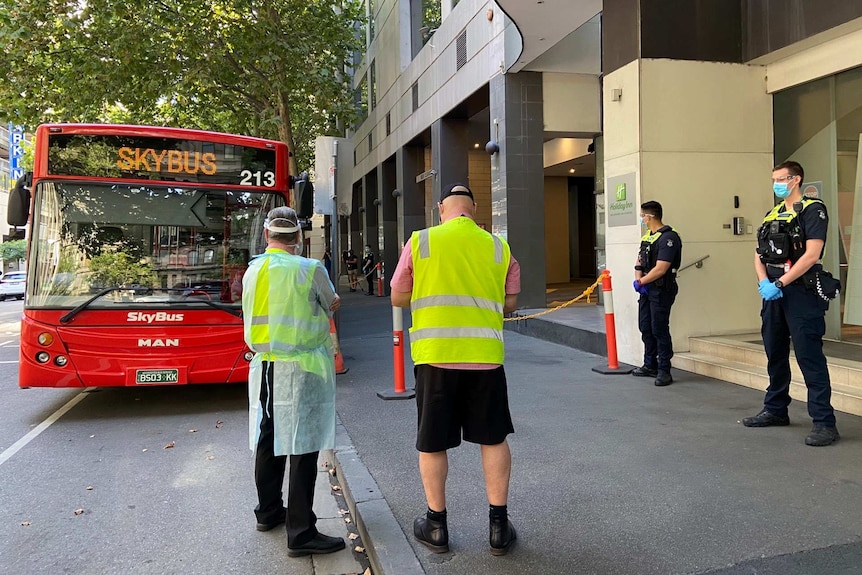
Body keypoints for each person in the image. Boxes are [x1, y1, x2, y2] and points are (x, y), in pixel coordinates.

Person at [390, 182, 521, 556]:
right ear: (474, 210)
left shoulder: (421, 241)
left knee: (432, 440)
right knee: (493, 438)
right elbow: (510, 302)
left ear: (441, 209)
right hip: (485, 356)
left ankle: (436, 525)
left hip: (435, 356)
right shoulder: (498, 246)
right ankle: (498, 528)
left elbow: (398, 295)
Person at [242, 206, 346, 556]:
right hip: (302, 367)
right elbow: (331, 303)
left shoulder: (252, 271)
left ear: (267, 236)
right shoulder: (310, 268)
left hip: (267, 367)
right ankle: (301, 532)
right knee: (303, 445)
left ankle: (268, 511)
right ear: (298, 237)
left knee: (269, 437)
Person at [743, 160, 839, 446]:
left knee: (809, 356)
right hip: (772, 292)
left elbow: (812, 255)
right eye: (773, 179)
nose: (776, 184)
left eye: (781, 179)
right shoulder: (772, 214)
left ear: (795, 180)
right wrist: (764, 283)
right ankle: (775, 409)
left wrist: (781, 283)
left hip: (800, 293)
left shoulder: (812, 210)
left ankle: (824, 422)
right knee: (775, 352)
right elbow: (759, 253)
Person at [632, 200, 682, 386]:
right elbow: (639, 260)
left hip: (661, 288)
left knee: (659, 328)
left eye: (642, 215)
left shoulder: (669, 238)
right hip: (646, 288)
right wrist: (639, 278)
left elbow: (661, 268)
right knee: (645, 326)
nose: (641, 219)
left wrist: (642, 281)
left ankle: (664, 370)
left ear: (649, 216)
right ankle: (649, 364)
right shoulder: (648, 237)